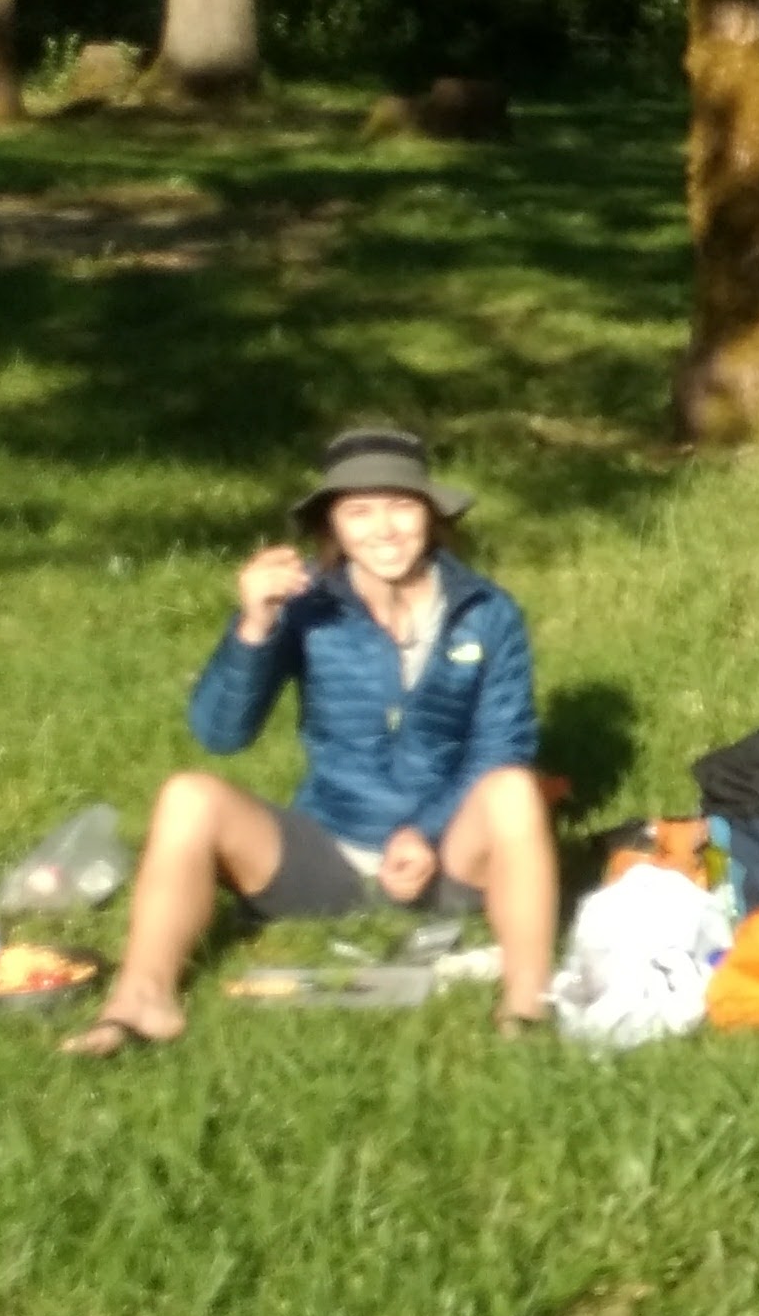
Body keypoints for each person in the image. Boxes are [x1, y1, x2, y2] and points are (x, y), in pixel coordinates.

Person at [63, 429, 557, 1054]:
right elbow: (220, 734)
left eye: (401, 507)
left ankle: (526, 1004)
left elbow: (503, 745)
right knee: (188, 796)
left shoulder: (488, 612)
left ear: (431, 514)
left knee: (513, 788)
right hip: (328, 856)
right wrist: (254, 624)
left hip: (447, 857)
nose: (384, 530)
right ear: (333, 526)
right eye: (359, 512)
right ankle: (141, 1001)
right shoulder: (305, 607)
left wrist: (426, 832)